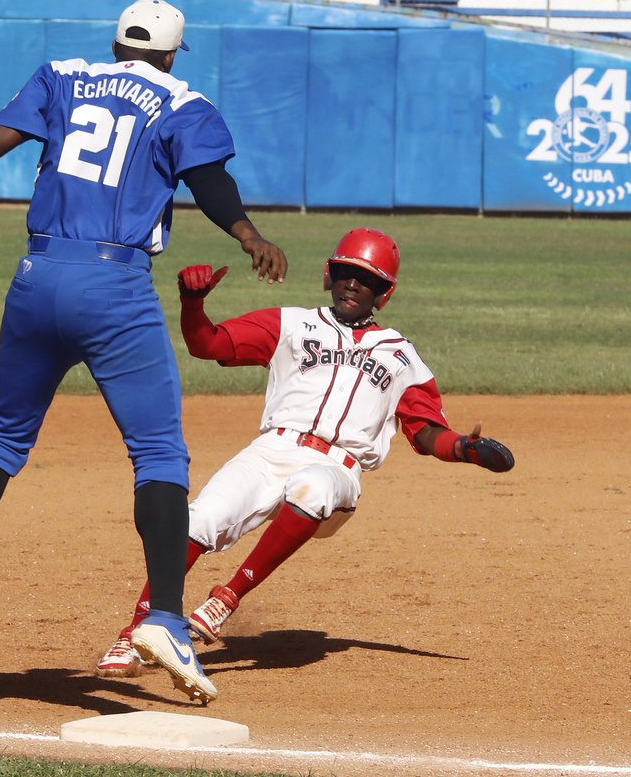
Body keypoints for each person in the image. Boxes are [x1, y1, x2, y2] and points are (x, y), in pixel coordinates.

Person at [0, 0, 287, 706]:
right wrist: (247, 235)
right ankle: (166, 620)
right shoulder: (183, 100)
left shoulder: (62, 75)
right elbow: (209, 181)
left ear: (115, 42)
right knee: (158, 455)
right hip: (113, 285)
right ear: (175, 53)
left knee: (2, 436)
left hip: (37, 276)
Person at [94, 228, 514, 680]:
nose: (353, 284)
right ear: (328, 275)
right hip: (272, 449)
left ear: (383, 294)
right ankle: (133, 635)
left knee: (312, 486)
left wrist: (465, 449)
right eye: (345, 273)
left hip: (337, 468)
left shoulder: (400, 356)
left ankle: (227, 597)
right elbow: (209, 344)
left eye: (366, 279)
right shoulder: (290, 324)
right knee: (194, 523)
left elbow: (426, 432)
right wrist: (193, 303)